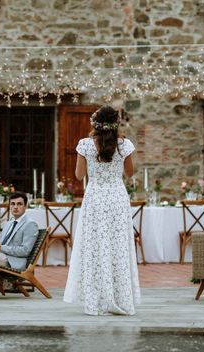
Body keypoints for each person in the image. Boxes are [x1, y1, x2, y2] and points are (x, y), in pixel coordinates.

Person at [63, 105, 140, 315]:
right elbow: (130, 173)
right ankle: (120, 298)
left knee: (95, 248)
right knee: (118, 246)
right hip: (116, 197)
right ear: (116, 123)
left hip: (95, 198)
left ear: (95, 124)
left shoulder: (85, 145)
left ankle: (97, 299)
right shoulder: (124, 145)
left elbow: (79, 176)